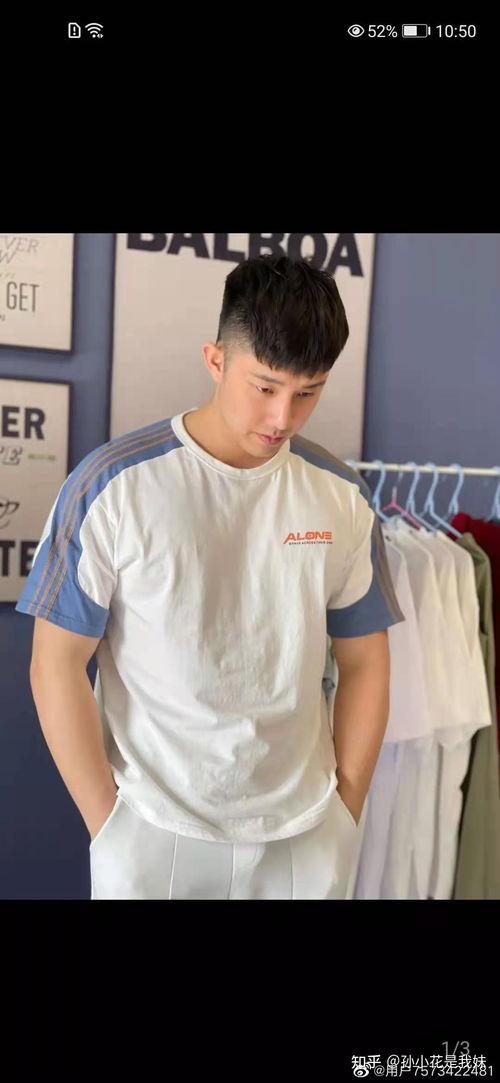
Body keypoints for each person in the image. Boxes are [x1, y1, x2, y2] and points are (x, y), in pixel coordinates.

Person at [16, 254, 404, 900]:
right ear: (216, 360)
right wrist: (107, 823)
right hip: (151, 828)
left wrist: (347, 808)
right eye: (266, 387)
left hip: (306, 831)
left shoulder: (341, 498)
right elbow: (54, 665)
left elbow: (366, 662)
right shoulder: (111, 488)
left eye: (308, 392)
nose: (283, 418)